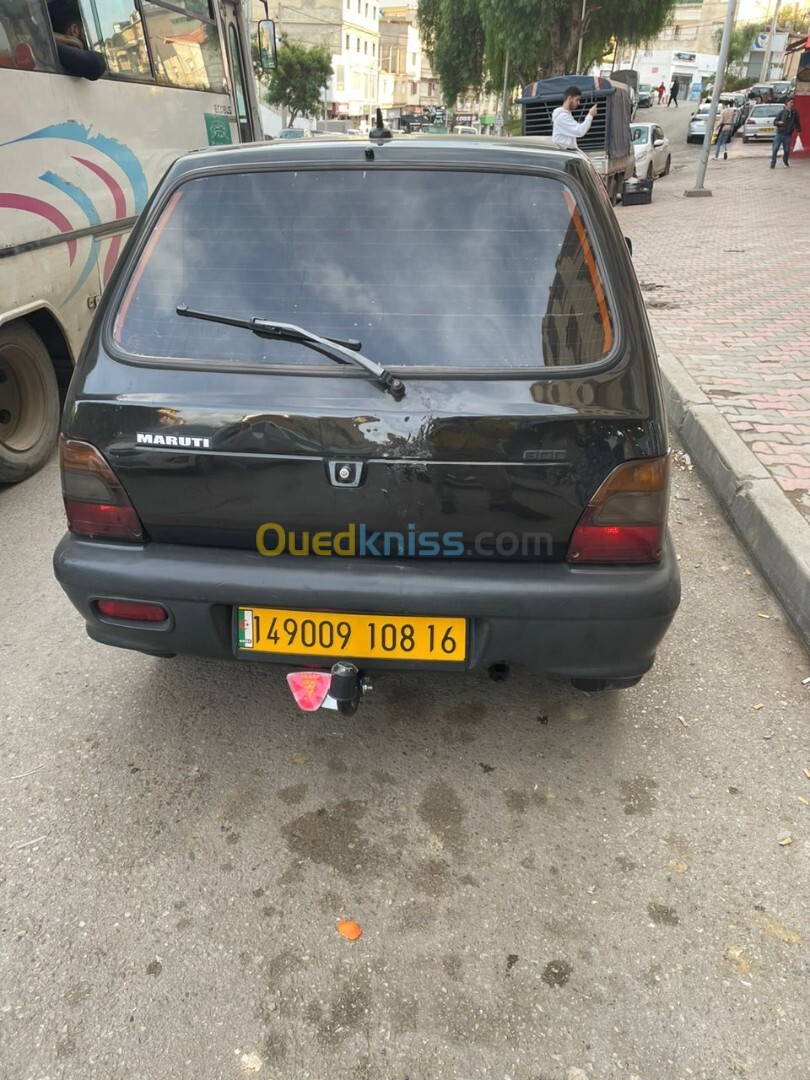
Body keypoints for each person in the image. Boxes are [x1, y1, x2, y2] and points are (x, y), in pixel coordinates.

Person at [47, 0, 106, 79]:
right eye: (84, 31)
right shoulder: (53, 53)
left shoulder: (44, 56)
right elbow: (97, 64)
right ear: (74, 30)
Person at [551, 85, 598, 150]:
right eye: (577, 100)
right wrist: (590, 115)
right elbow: (580, 131)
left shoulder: (565, 115)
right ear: (569, 98)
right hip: (564, 154)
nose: (579, 103)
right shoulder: (562, 117)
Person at [770, 96, 801, 168]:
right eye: (791, 102)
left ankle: (785, 161)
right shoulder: (781, 112)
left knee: (787, 150)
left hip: (788, 135)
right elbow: (774, 122)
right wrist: (778, 123)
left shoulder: (794, 113)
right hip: (779, 134)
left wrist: (798, 130)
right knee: (775, 149)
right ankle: (773, 163)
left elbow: (797, 123)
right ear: (787, 103)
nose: (792, 104)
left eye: (793, 103)